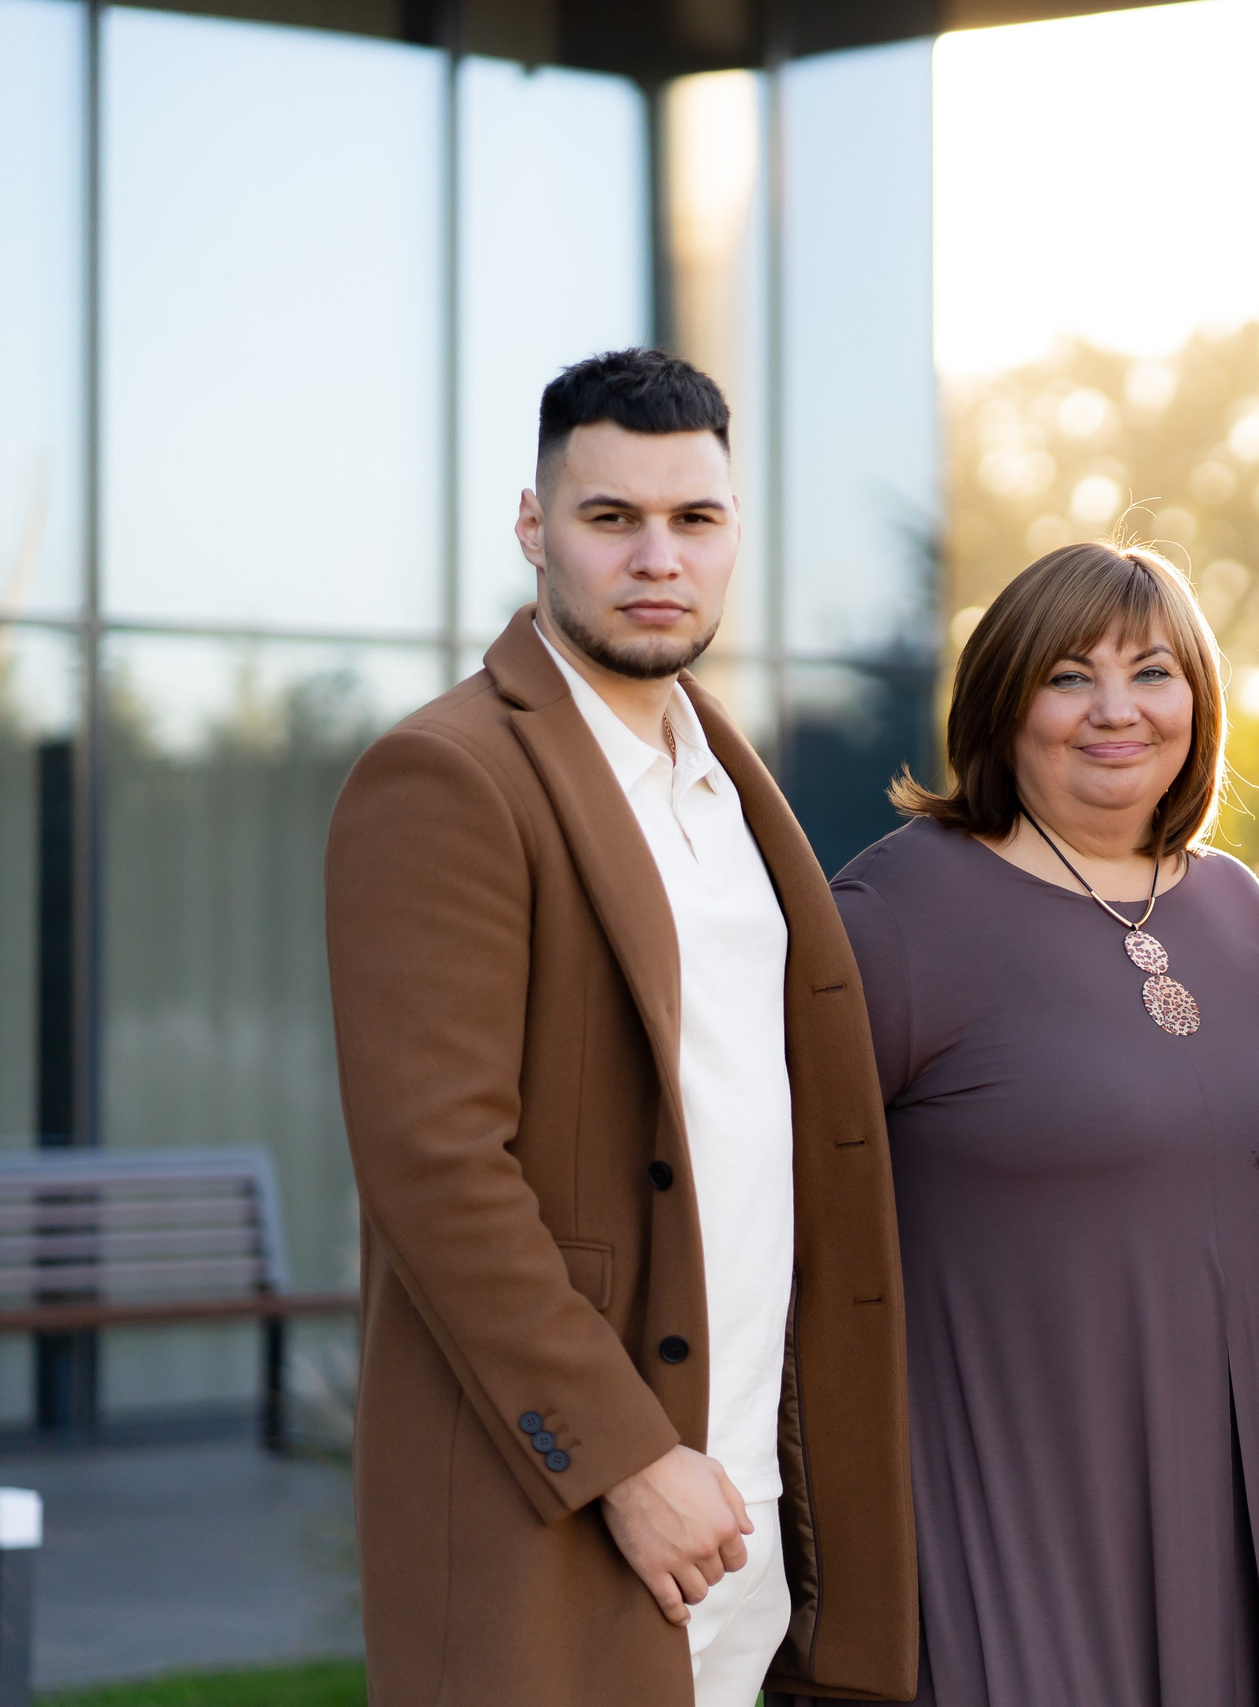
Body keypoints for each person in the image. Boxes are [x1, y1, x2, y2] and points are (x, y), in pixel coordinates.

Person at [325, 348, 915, 1707]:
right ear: (535, 528)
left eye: (694, 519)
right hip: (576, 1501)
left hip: (758, 1500)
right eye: (611, 517)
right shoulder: (448, 774)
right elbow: (437, 1166)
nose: (659, 556)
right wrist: (623, 1457)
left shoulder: (727, 781)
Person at [793, 542, 1259, 1707]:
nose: (1117, 711)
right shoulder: (891, 916)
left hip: (1238, 1514)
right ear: (1002, 700)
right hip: (999, 1517)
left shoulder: (1241, 911)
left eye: (1153, 672)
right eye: (1070, 676)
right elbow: (781, 1225)